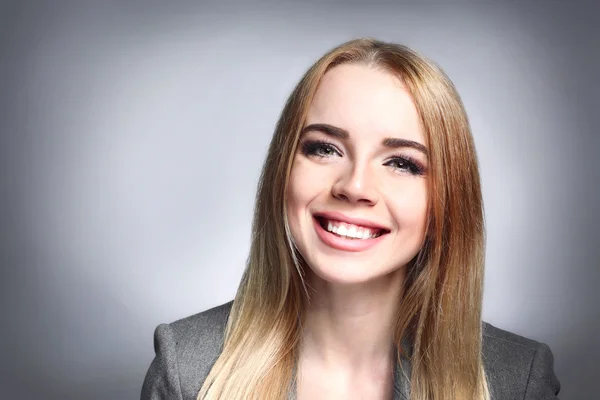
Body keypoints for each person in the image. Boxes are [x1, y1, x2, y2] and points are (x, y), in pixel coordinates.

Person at [141, 38, 560, 400]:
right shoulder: (188, 369)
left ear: (447, 202)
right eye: (324, 149)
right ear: (282, 171)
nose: (355, 186)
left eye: (401, 163)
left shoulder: (518, 379)